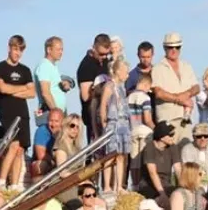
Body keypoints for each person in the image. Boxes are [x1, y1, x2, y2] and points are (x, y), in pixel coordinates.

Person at [0, 35, 34, 191]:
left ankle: (15, 185)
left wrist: (13, 91)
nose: (18, 53)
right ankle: (2, 182)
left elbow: (32, 92)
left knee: (20, 149)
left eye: (20, 50)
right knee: (13, 145)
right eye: (15, 49)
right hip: (7, 113)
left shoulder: (25, 70)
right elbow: (2, 88)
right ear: (9, 48)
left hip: (23, 112)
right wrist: (22, 88)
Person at [152, 33, 199, 142]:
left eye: (177, 47)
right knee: (168, 151)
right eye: (170, 47)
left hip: (185, 119)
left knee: (185, 150)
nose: (174, 50)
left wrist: (187, 94)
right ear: (164, 48)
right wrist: (179, 99)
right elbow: (158, 92)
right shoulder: (157, 68)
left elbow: (196, 87)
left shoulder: (187, 66)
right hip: (167, 120)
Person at [99, 57, 132, 193]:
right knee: (110, 155)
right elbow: (103, 105)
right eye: (126, 72)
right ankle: (107, 185)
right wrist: (104, 124)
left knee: (121, 156)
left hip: (123, 123)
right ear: (118, 71)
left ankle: (118, 185)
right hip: (113, 123)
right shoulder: (109, 86)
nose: (127, 75)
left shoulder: (122, 88)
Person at [77, 34, 110, 136]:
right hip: (93, 117)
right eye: (101, 54)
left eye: (107, 54)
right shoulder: (87, 66)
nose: (104, 57)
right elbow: (85, 96)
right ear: (94, 48)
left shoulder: (106, 62)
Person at [138, 121, 181, 200]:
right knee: (156, 200)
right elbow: (153, 173)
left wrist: (184, 189)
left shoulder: (173, 147)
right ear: (161, 137)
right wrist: (162, 194)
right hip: (149, 185)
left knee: (179, 196)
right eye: (171, 135)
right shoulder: (149, 148)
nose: (173, 137)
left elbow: (178, 170)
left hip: (166, 185)